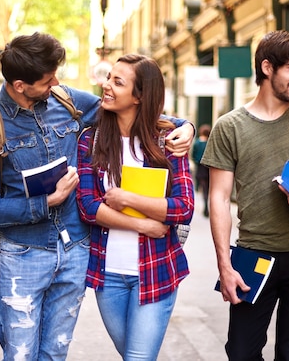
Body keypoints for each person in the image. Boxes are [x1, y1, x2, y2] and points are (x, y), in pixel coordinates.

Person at [0, 32, 194, 360]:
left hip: (75, 251)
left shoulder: (66, 101)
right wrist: (49, 201)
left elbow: (136, 113)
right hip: (24, 254)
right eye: (47, 79)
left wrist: (185, 127)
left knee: (56, 352)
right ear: (19, 85)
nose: (56, 82)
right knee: (20, 353)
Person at [201, 30, 289, 360]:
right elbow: (218, 198)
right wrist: (225, 265)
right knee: (241, 352)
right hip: (253, 254)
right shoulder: (229, 126)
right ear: (267, 68)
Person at [76, 54, 194, 359]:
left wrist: (126, 199)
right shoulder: (92, 139)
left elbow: (183, 207)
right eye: (108, 78)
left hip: (156, 271)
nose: (106, 85)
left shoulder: (167, 140)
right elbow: (88, 207)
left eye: (118, 82)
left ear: (140, 96)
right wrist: (142, 223)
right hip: (108, 275)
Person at [192, 124, 211, 217]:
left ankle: (206, 207)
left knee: (203, 188)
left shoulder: (197, 143)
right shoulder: (210, 143)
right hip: (209, 168)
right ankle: (207, 207)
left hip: (200, 168)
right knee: (208, 188)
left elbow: (193, 155)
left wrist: (197, 161)